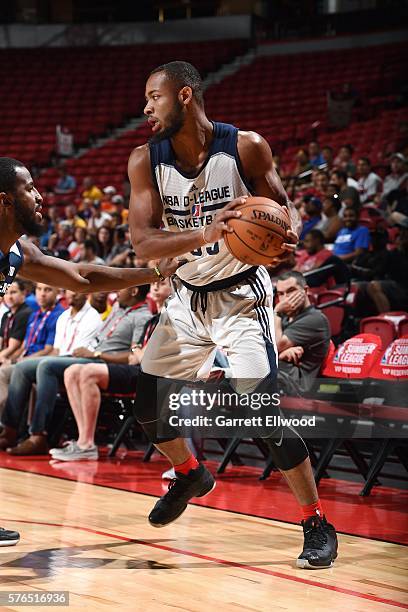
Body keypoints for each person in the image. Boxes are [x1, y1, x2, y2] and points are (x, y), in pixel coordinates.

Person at [127, 61, 338, 569]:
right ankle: (191, 473)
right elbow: (141, 241)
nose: (146, 108)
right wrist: (205, 233)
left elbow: (282, 218)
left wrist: (277, 240)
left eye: (153, 98)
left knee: (260, 412)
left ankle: (316, 521)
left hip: (241, 296)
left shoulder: (245, 147)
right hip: (184, 298)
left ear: (183, 95)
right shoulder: (144, 160)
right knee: (149, 411)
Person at [0, 155, 178, 545]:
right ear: (4, 201)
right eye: (28, 188)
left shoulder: (16, 252)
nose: (39, 196)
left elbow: (81, 277)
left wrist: (156, 273)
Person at [0, 285, 152, 456]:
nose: (116, 292)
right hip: (92, 356)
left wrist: (96, 353)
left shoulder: (142, 316)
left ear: (133, 292)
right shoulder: (119, 310)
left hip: (103, 361)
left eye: (122, 289)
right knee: (21, 367)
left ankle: (38, 435)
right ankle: (10, 430)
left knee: (46, 366)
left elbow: (134, 354)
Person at [55, 280, 172, 461]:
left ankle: (87, 444)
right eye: (154, 284)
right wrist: (138, 352)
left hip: (150, 376)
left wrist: (138, 352)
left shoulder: (164, 318)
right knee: (71, 371)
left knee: (87, 372)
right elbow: (135, 353)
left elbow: (143, 356)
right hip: (136, 368)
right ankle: (82, 441)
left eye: (162, 284)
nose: (155, 287)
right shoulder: (151, 320)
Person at [0, 283, 64, 414]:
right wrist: (11, 359)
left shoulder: (59, 315)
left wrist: (16, 361)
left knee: (3, 373)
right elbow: (24, 346)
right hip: (26, 360)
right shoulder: (34, 315)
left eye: (48, 289)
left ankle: (6, 422)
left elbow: (48, 350)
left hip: (40, 361)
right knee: (4, 368)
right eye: (39, 289)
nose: (42, 293)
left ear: (58, 292)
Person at [274, 271, 330, 395]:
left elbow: (274, 347)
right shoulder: (283, 318)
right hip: (278, 373)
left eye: (291, 291)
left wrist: (276, 312)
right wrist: (280, 355)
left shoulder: (315, 319)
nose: (285, 298)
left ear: (305, 291)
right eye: (280, 294)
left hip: (294, 385)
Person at [0, 280, 32, 365]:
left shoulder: (25, 313)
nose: (9, 297)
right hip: (5, 356)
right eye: (6, 293)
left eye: (13, 292)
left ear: (23, 293)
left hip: (17, 356)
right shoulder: (6, 314)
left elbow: (13, 347)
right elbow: (1, 340)